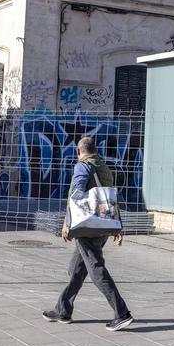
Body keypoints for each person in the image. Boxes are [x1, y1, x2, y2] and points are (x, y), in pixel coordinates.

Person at [43, 137, 134, 331]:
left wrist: (67, 223)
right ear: (95, 150)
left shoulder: (82, 167)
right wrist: (118, 226)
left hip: (87, 227)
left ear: (78, 151)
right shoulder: (103, 166)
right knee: (76, 269)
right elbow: (110, 199)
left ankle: (122, 312)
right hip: (102, 226)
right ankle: (63, 310)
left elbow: (76, 196)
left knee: (95, 269)